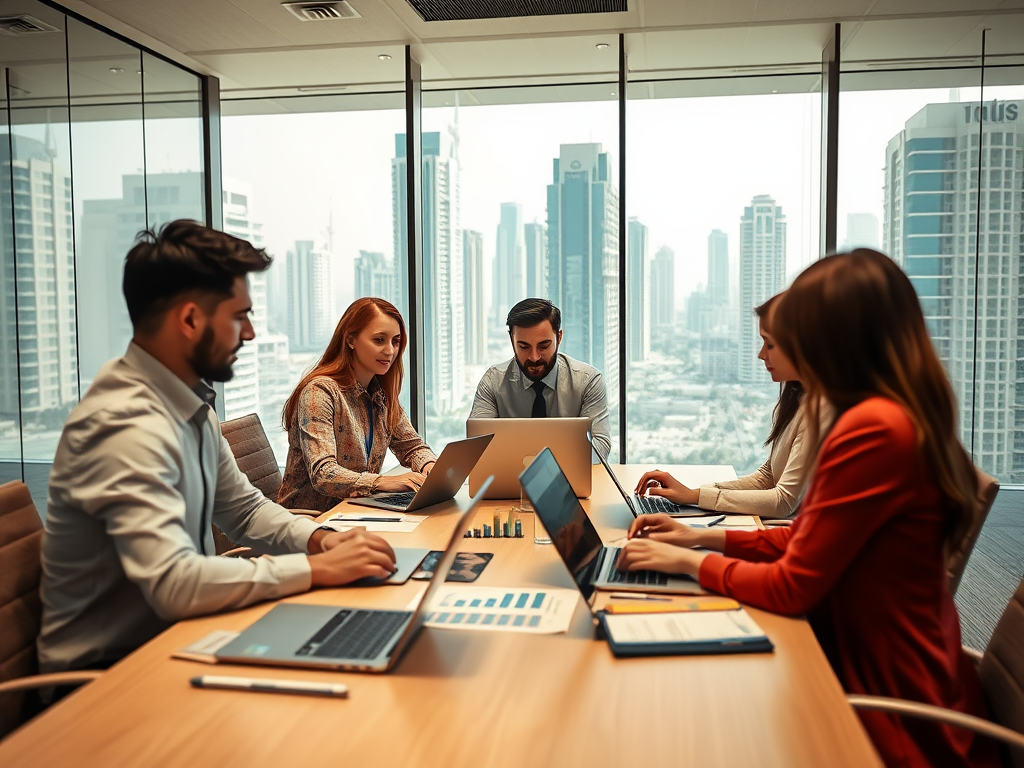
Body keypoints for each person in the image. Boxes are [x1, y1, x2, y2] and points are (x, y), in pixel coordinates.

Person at [619, 250, 997, 768]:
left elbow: (792, 586)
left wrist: (687, 564)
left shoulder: (874, 430)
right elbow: (810, 538)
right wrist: (702, 539)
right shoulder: (892, 417)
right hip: (874, 674)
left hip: (894, 716)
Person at [39, 221, 397, 675]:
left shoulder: (188, 406)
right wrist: (316, 570)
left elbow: (244, 511)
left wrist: (322, 540)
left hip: (179, 636)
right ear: (190, 319)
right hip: (107, 676)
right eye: (239, 315)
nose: (249, 333)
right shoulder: (122, 424)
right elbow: (174, 583)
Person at [634, 293, 830, 518]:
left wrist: (696, 497)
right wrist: (693, 494)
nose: (761, 354)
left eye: (770, 344)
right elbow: (768, 477)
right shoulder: (798, 396)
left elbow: (783, 501)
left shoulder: (821, 409)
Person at [277, 297, 436, 512]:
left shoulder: (381, 394)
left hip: (356, 510)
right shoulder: (320, 392)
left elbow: (412, 447)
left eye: (395, 341)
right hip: (308, 521)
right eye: (379, 340)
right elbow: (324, 474)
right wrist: (381, 482)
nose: (390, 351)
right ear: (351, 340)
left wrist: (430, 467)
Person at [469, 298, 611, 459]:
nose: (534, 357)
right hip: (509, 482)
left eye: (544, 346)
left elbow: (600, 448)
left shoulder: (588, 382)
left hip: (570, 482)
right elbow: (476, 447)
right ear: (512, 341)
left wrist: (521, 453)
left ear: (559, 338)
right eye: (524, 347)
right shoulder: (493, 382)